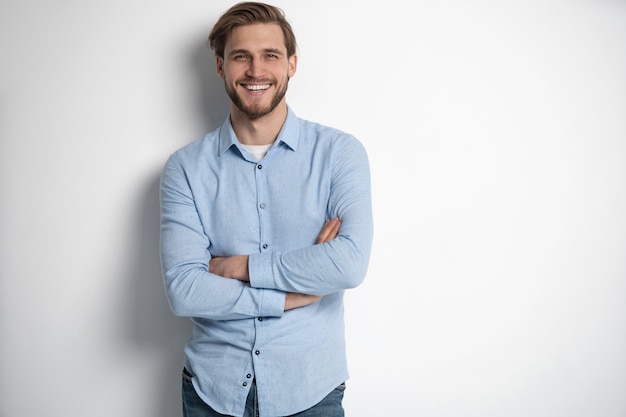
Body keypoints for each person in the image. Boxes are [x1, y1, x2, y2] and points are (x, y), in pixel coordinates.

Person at [159, 2, 373, 416]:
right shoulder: (185, 168)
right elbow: (185, 291)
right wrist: (297, 292)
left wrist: (239, 266)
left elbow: (347, 265)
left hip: (310, 390)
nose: (256, 70)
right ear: (220, 66)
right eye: (241, 56)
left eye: (270, 55)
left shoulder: (339, 155)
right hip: (211, 392)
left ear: (292, 64)